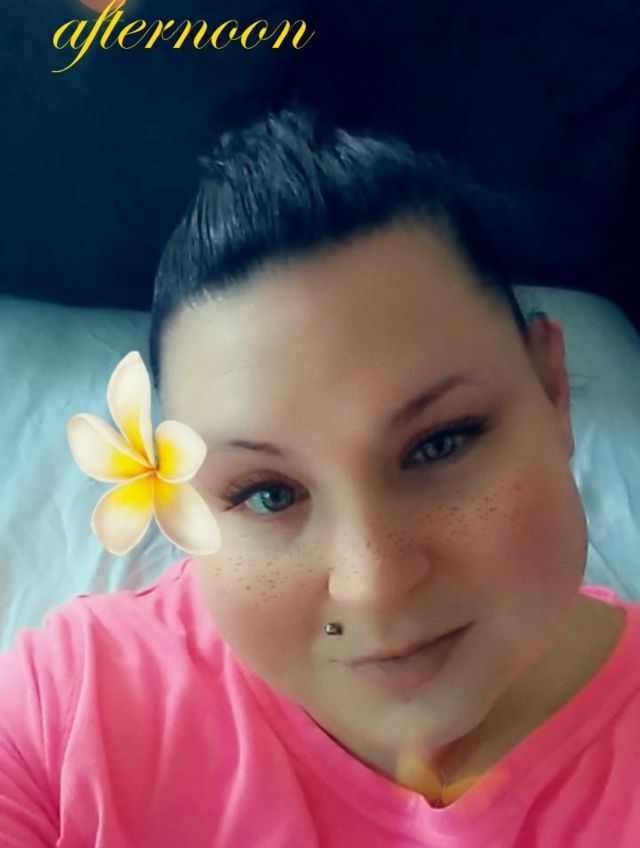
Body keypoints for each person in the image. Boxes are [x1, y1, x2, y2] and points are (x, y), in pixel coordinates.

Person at [1, 105, 638, 847]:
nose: (373, 586)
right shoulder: (70, 714)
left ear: (552, 390)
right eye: (268, 494)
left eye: (439, 445)